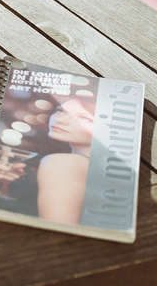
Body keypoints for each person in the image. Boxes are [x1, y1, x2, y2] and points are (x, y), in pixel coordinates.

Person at [36, 94, 96, 224]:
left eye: (84, 118)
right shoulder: (87, 166)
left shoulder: (63, 163)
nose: (61, 120)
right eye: (61, 110)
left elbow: (57, 228)